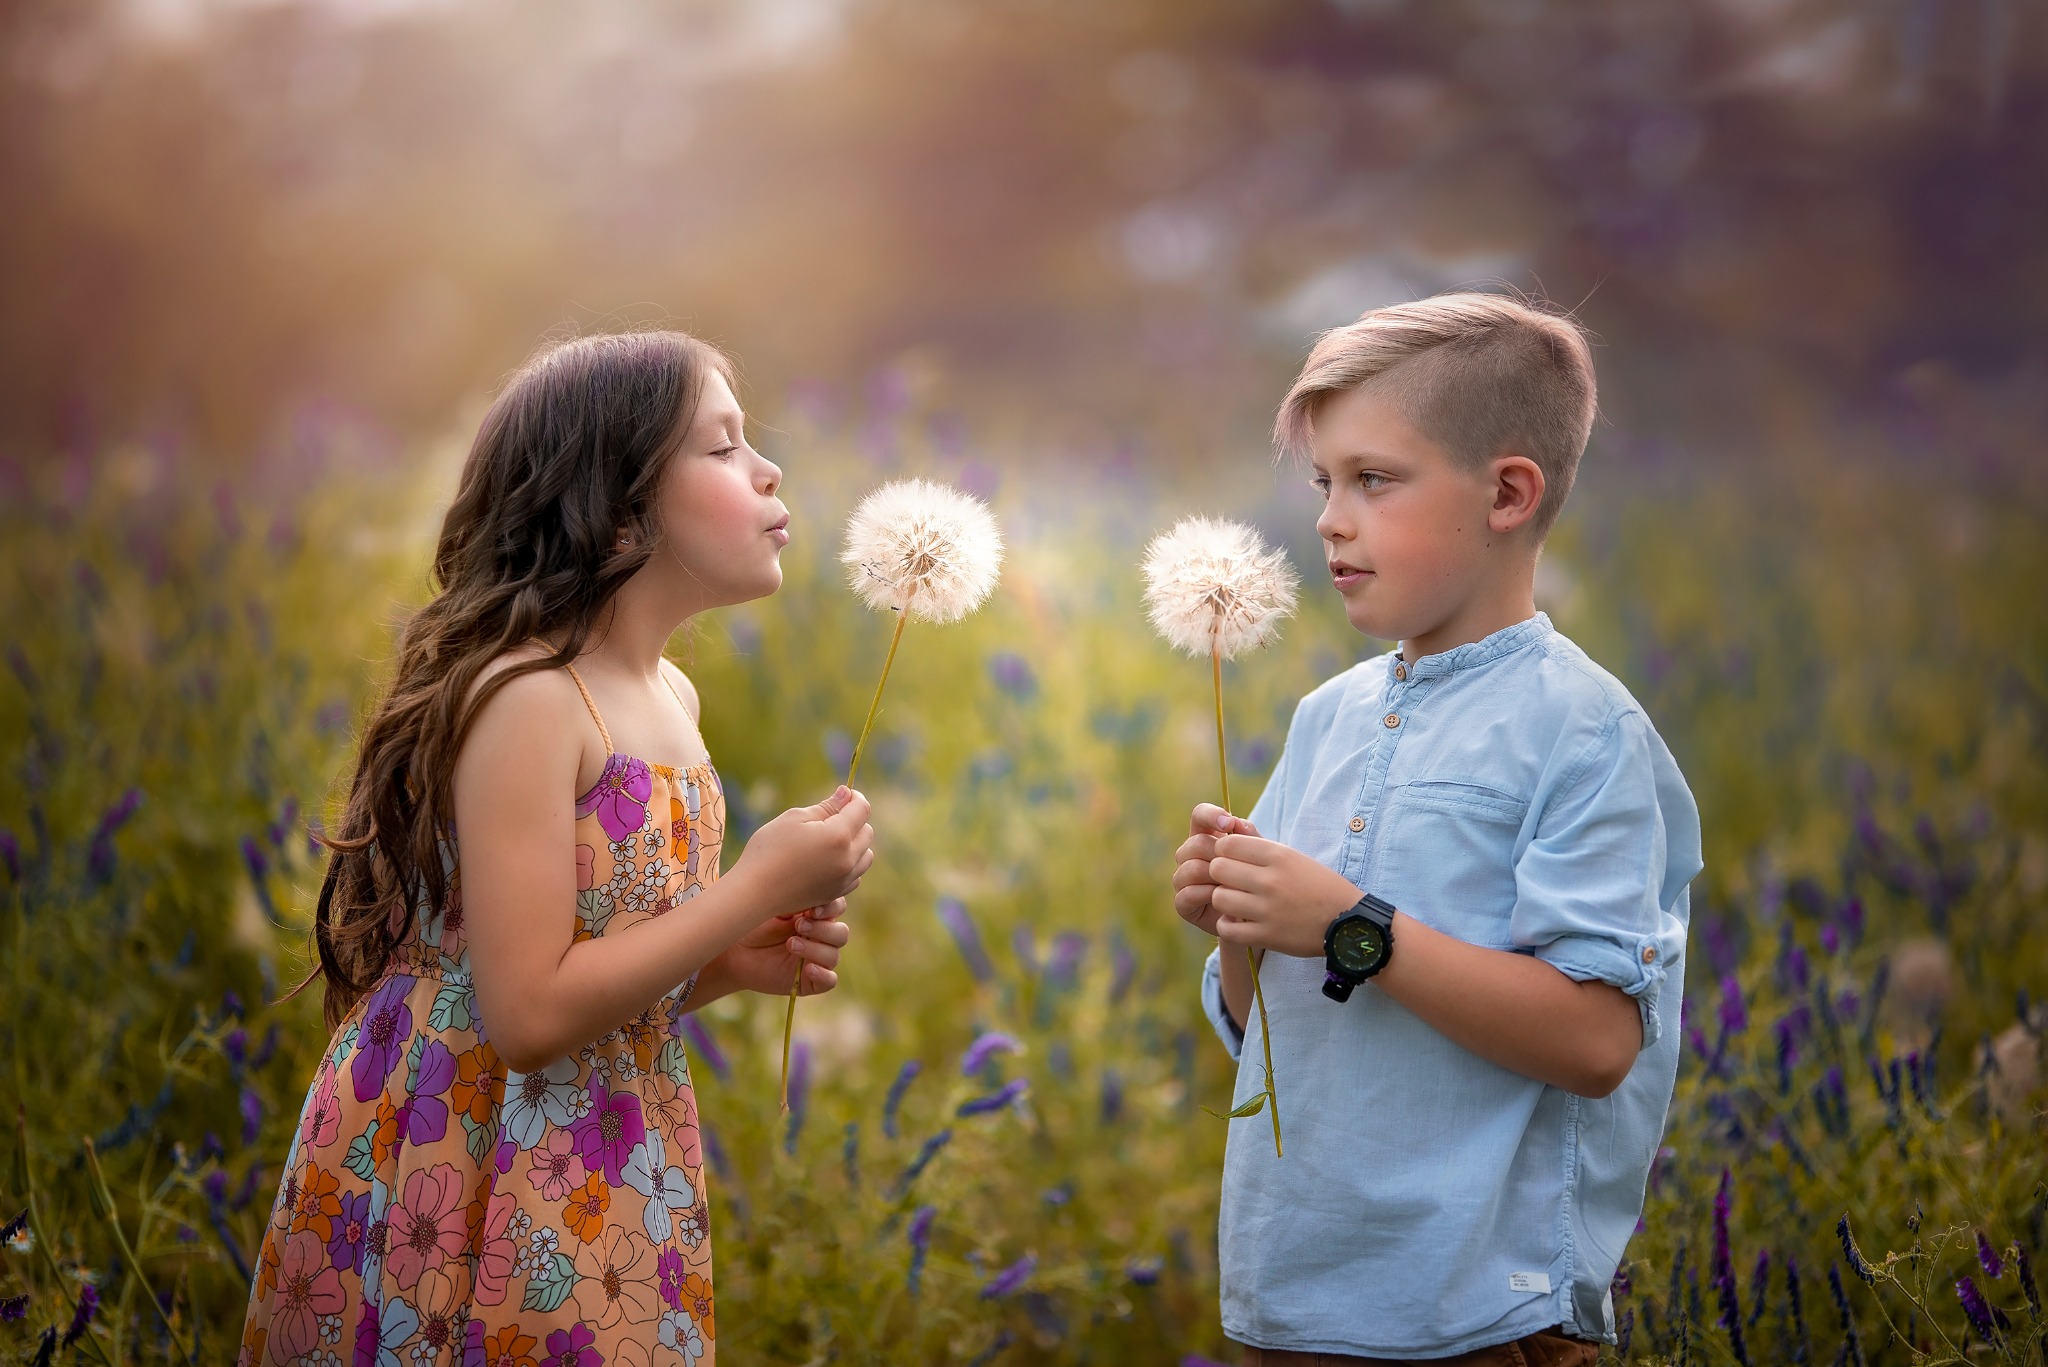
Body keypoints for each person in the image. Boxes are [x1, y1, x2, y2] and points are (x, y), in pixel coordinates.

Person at [241, 331, 876, 1367]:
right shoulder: (533, 698)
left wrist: (727, 959)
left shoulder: (671, 697)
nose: (767, 469)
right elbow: (528, 1011)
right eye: (721, 447)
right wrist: (750, 885)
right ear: (618, 508)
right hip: (461, 1160)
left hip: (598, 1159)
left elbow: (596, 976)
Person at [1172, 294, 1700, 1365]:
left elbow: (1596, 1041)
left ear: (1507, 493)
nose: (1330, 518)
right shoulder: (1326, 718)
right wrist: (1240, 922)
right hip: (1294, 1296)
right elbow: (1263, 1028)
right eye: (1324, 483)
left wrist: (1348, 925)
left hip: (1474, 1314)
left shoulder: (1579, 728)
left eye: (1373, 478)